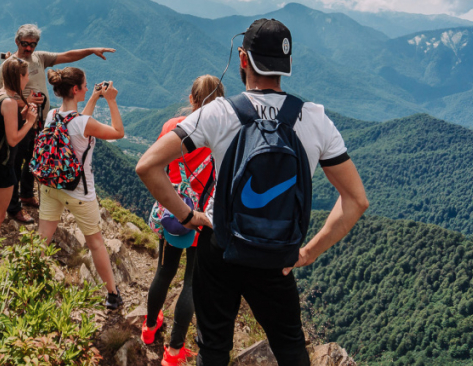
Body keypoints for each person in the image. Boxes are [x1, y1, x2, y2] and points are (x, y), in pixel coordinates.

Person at [136, 19, 369, 366]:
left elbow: (147, 166)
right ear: (286, 66)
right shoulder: (315, 119)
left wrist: (190, 217)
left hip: (221, 245)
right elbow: (356, 200)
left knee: (213, 348)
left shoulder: (218, 112)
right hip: (277, 257)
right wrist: (308, 252)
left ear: (243, 59)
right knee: (290, 348)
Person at [0, 23, 115, 224]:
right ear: (17, 41)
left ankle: (26, 194)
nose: (29, 48)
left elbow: (66, 56)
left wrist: (90, 51)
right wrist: (26, 101)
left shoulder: (39, 58)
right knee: (15, 163)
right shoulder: (9, 66)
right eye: (25, 44)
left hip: (40, 121)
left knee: (34, 159)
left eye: (33, 44)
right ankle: (13, 207)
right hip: (17, 121)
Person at [142, 75, 225, 365]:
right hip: (203, 218)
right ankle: (174, 351)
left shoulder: (172, 127)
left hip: (173, 212)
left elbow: (157, 166)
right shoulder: (223, 134)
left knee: (164, 272)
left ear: (191, 99)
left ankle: (150, 328)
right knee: (192, 282)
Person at [36, 67, 125, 310]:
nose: (87, 88)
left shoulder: (52, 115)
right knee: (96, 243)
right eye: (85, 86)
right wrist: (111, 101)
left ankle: (29, 281)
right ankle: (112, 295)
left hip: (50, 185)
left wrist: (94, 98)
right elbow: (118, 132)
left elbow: (74, 123)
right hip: (79, 192)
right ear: (75, 89)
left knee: (42, 237)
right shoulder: (84, 123)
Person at [0, 57, 38, 250]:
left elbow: (0, 125)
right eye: (26, 75)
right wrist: (30, 122)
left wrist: (22, 116)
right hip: (2, 164)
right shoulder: (10, 101)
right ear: (18, 76)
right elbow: (12, 139)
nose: (27, 79)